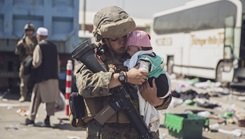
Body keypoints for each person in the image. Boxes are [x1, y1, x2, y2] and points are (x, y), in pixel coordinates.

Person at [75, 6, 172, 138]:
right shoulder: (94, 59)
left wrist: (156, 100)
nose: (122, 41)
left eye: (125, 36)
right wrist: (124, 77)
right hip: (104, 133)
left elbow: (164, 91)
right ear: (104, 38)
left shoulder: (140, 57)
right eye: (115, 38)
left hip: (139, 131)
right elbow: (84, 85)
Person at [124, 30, 172, 131]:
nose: (127, 52)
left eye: (129, 49)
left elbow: (143, 69)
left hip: (158, 86)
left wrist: (132, 74)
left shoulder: (144, 58)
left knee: (146, 113)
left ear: (139, 48)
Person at [24, 27, 60, 127]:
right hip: (53, 77)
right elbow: (57, 63)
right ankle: (48, 119)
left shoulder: (39, 46)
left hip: (42, 78)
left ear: (39, 36)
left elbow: (37, 62)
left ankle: (31, 118)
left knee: (36, 98)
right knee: (50, 100)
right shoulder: (54, 46)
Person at [15, 23, 37, 102]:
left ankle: (35, 96)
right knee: (23, 80)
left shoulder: (36, 40)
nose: (29, 32)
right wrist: (19, 45)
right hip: (25, 61)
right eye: (27, 30)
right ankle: (23, 96)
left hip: (35, 62)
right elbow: (17, 52)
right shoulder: (23, 40)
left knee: (36, 81)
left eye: (31, 30)